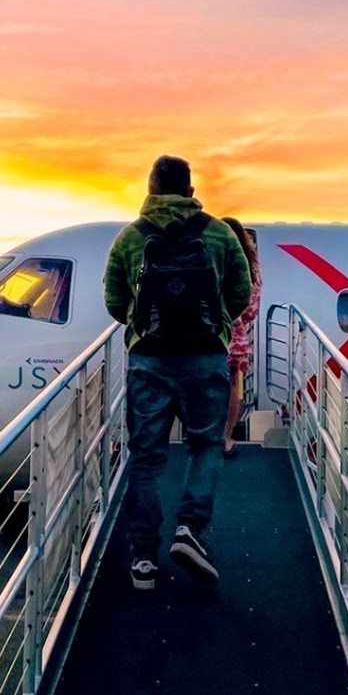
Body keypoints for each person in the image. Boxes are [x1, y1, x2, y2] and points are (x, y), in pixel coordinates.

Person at [104, 155, 252, 590]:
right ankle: (190, 530)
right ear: (190, 191)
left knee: (146, 456)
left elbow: (114, 300)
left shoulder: (130, 239)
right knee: (205, 445)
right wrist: (216, 326)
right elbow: (240, 292)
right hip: (206, 357)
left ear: (149, 191)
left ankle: (144, 557)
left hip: (149, 359)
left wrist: (141, 325)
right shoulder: (220, 234)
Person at [221, 218, 262, 457]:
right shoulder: (252, 269)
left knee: (210, 388)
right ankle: (226, 437)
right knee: (233, 389)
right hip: (237, 339)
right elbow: (252, 311)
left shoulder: (217, 264)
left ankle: (208, 435)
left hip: (214, 337)